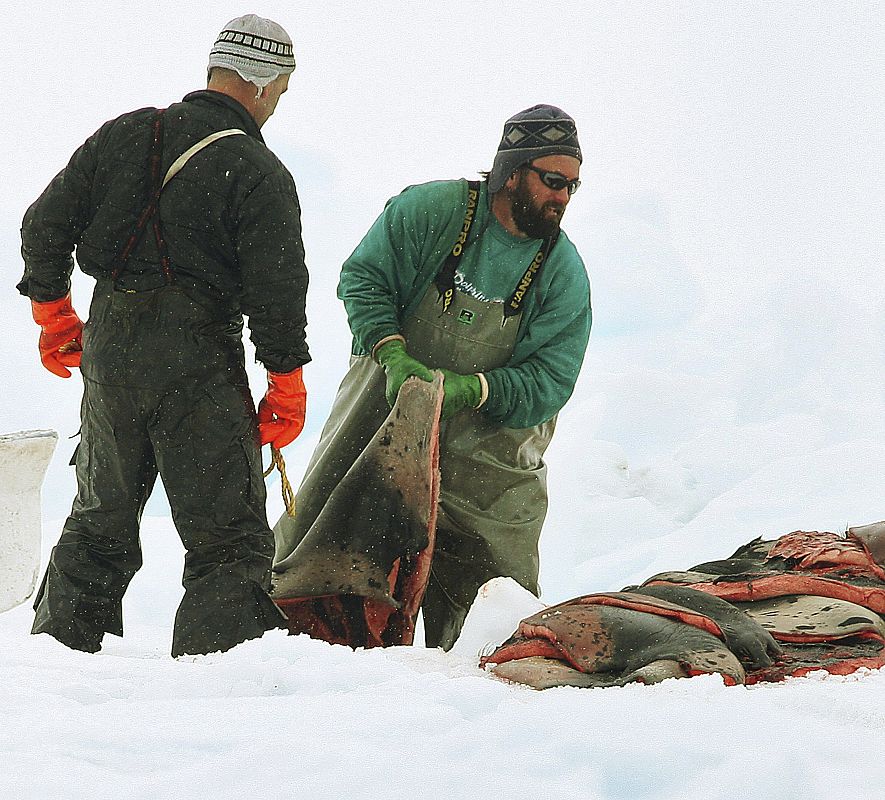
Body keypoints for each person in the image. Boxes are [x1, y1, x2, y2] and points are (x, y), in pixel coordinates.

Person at [18, 15, 310, 657]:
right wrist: (286, 381)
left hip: (111, 342)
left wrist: (54, 316)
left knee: (99, 521)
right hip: (197, 355)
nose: (276, 107)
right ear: (264, 86)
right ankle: (218, 679)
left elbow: (43, 225)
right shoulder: (257, 169)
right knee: (228, 539)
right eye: (282, 93)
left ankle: (59, 662)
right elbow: (277, 289)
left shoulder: (126, 134)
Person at [273, 104, 591, 650]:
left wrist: (478, 389)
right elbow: (364, 278)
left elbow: (551, 379)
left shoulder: (563, 274)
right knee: (323, 576)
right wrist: (393, 353)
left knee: (492, 619)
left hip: (489, 463)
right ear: (511, 172)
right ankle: (306, 688)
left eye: (573, 187)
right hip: (379, 429)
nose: (562, 197)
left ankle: (470, 719)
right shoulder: (428, 212)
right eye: (553, 180)